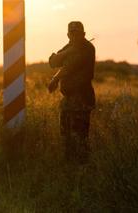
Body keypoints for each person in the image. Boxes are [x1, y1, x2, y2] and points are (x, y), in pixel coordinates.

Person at [48, 21, 96, 161]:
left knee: (80, 138)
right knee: (66, 137)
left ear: (84, 34)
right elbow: (53, 62)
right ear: (68, 35)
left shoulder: (87, 48)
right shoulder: (70, 47)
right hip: (68, 100)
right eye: (72, 33)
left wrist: (56, 78)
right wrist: (67, 52)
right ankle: (70, 171)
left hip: (81, 100)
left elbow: (69, 65)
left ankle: (82, 171)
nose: (75, 37)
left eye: (78, 33)